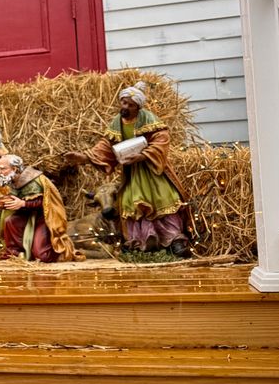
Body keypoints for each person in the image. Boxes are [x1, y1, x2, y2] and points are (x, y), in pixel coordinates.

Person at [64, 82, 192, 257]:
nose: (125, 107)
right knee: (131, 205)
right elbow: (106, 146)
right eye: (123, 102)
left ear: (138, 106)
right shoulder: (117, 122)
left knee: (163, 200)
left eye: (130, 105)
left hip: (151, 170)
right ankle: (140, 242)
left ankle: (174, 240)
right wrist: (84, 157)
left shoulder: (148, 119)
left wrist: (143, 155)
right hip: (131, 174)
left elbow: (162, 139)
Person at [0, 155, 81, 263]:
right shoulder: (11, 180)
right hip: (27, 215)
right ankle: (14, 253)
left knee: (42, 255)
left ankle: (55, 252)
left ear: (14, 169)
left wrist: (23, 203)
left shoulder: (33, 180)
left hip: (43, 218)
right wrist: (5, 203)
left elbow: (45, 202)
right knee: (10, 221)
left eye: (3, 168)